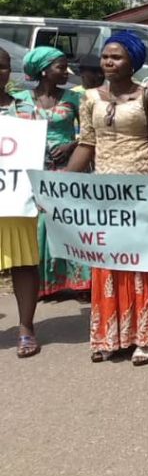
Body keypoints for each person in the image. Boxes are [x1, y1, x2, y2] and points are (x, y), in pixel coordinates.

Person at [64, 31, 148, 365]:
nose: (108, 63)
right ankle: (111, 335)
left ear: (132, 62)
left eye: (116, 57)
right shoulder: (89, 99)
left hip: (142, 189)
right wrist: (61, 183)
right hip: (105, 192)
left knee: (144, 263)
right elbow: (86, 145)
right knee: (108, 262)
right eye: (105, 57)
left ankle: (147, 336)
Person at [23, 46, 92, 300]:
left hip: (68, 167)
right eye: (61, 67)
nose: (67, 72)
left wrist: (72, 144)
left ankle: (81, 282)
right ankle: (44, 283)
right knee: (41, 225)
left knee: (72, 223)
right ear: (43, 70)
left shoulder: (74, 99)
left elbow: (90, 132)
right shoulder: (20, 99)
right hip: (34, 171)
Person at [0, 47, 42, 357]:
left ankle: (26, 327)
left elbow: (35, 155)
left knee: (24, 265)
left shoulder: (25, 109)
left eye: (2, 66)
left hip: (16, 203)